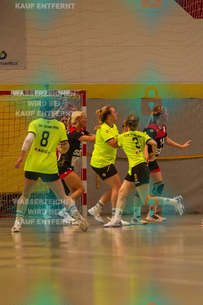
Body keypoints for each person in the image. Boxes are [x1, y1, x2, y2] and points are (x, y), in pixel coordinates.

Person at [13, 100, 88, 233]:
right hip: (49, 167)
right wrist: (62, 150)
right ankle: (79, 218)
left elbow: (28, 140)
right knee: (63, 196)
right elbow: (65, 146)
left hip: (33, 165)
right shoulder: (59, 126)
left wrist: (20, 157)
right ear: (52, 109)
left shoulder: (35, 123)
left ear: (41, 110)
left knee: (25, 196)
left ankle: (17, 224)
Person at [103, 114, 184, 227]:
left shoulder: (122, 136)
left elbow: (114, 144)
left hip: (138, 167)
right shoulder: (142, 135)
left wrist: (121, 128)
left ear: (127, 124)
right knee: (122, 192)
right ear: (137, 125)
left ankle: (175, 201)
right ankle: (117, 220)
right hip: (136, 167)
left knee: (146, 200)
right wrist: (152, 154)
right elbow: (154, 143)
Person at [143, 105, 191, 222]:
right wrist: (145, 158)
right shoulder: (151, 129)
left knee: (159, 186)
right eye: (167, 113)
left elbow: (166, 140)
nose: (168, 114)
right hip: (144, 162)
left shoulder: (163, 127)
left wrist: (181, 146)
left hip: (152, 161)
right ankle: (133, 215)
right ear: (161, 115)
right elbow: (144, 144)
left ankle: (151, 214)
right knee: (139, 191)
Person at [56, 111, 96, 225]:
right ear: (78, 120)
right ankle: (64, 211)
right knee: (81, 189)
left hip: (68, 165)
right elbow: (91, 139)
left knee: (73, 191)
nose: (86, 120)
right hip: (64, 165)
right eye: (84, 118)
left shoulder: (80, 131)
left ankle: (66, 215)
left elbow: (92, 136)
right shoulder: (74, 133)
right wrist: (106, 137)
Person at [88, 106, 122, 224]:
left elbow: (119, 141)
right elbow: (114, 143)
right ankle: (115, 217)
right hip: (102, 162)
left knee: (116, 187)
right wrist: (126, 134)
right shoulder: (104, 129)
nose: (117, 114)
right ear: (109, 116)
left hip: (107, 162)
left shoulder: (114, 127)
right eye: (114, 112)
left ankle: (97, 208)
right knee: (117, 188)